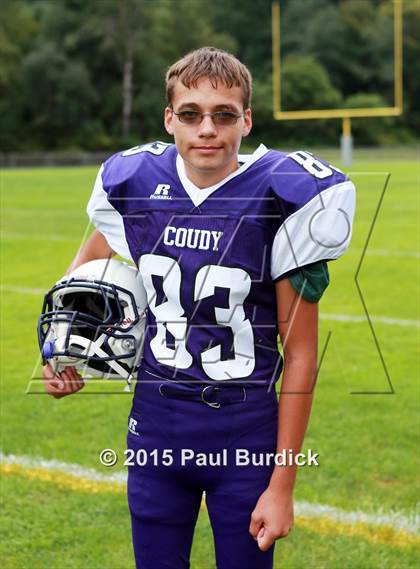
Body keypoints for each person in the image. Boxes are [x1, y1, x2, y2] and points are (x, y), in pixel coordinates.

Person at [43, 46, 355, 569]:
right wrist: (63, 355)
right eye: (190, 114)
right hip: (154, 432)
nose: (206, 128)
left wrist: (283, 484)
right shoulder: (136, 184)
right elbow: (80, 283)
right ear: (170, 119)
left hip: (245, 435)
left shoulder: (281, 196)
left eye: (223, 114)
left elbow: (300, 356)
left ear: (246, 120)